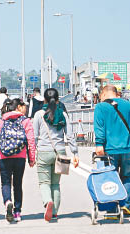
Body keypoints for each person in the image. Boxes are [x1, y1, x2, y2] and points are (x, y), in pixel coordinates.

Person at [94, 85, 130, 217]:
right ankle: (125, 205)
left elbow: (99, 127)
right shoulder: (129, 106)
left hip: (109, 150)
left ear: (103, 94)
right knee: (127, 177)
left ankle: (113, 210)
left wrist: (99, 144)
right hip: (126, 149)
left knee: (110, 178)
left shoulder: (101, 107)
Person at [33, 88, 79, 222]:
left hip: (43, 152)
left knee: (44, 182)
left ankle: (48, 202)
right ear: (58, 99)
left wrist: (31, 153)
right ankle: (54, 213)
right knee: (56, 184)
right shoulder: (63, 115)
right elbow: (69, 136)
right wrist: (75, 153)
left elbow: (35, 137)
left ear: (44, 100)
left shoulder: (38, 115)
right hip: (60, 153)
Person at [0, 98, 36, 222]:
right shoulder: (25, 121)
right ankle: (17, 212)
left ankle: (7, 202)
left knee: (6, 183)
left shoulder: (1, 120)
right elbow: (31, 140)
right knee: (18, 184)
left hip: (4, 156)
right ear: (18, 107)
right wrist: (31, 158)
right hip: (20, 156)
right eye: (23, 106)